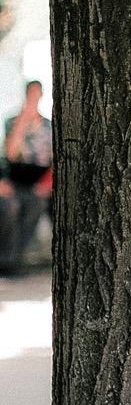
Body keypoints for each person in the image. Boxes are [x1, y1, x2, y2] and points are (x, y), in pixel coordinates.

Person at [0, 79, 51, 275]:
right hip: (15, 180)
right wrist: (24, 119)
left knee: (35, 204)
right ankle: (6, 260)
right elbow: (11, 153)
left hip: (38, 181)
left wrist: (45, 184)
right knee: (9, 206)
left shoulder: (48, 126)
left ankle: (14, 260)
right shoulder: (12, 122)